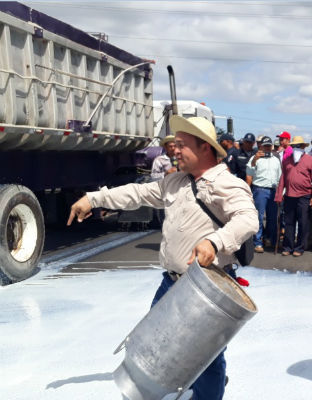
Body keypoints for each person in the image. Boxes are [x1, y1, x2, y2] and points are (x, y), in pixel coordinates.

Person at [67, 115, 258, 400]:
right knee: (157, 347)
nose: (174, 150)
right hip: (170, 284)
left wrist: (214, 241)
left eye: (182, 144)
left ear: (205, 147)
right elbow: (137, 193)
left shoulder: (226, 184)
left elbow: (248, 219)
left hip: (205, 291)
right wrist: (93, 199)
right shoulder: (175, 182)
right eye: (174, 144)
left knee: (206, 360)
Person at [274, 135, 312, 257]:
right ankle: (288, 246)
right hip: (289, 196)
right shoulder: (286, 160)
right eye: (294, 146)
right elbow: (283, 178)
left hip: (304, 196)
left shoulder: (311, 161)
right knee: (289, 222)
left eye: (299, 146)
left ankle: (299, 247)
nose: (297, 148)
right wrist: (279, 194)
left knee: (303, 222)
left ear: (304, 147)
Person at [246, 136, 282, 253]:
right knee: (259, 217)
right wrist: (254, 161)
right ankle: (258, 242)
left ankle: (269, 238)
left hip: (273, 190)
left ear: (271, 146)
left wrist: (281, 192)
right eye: (265, 146)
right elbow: (249, 172)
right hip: (260, 190)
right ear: (261, 146)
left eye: (269, 146)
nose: (267, 148)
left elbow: (280, 176)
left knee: (272, 218)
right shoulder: (255, 158)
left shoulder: (276, 160)